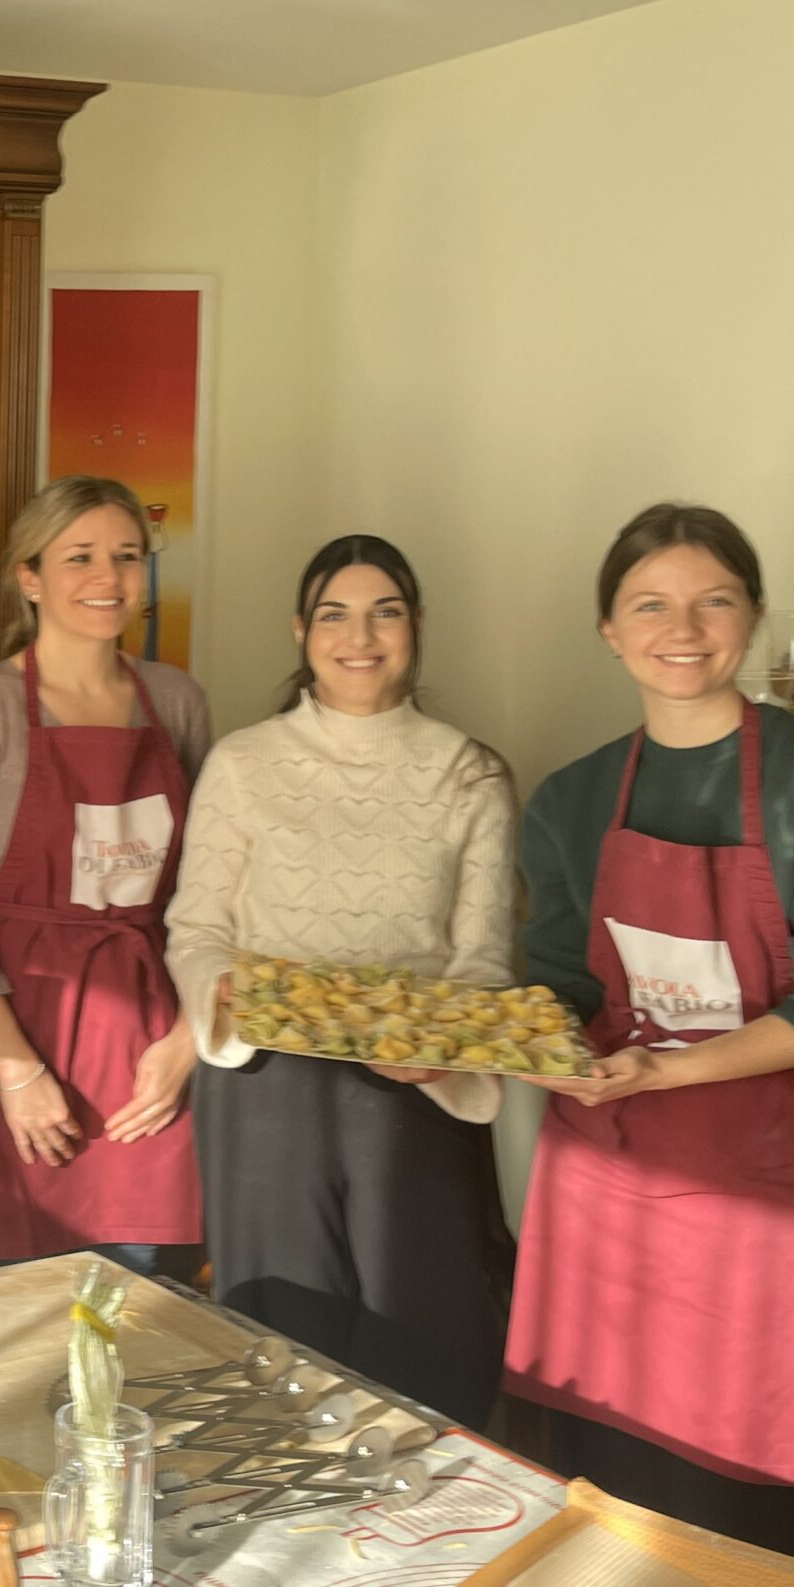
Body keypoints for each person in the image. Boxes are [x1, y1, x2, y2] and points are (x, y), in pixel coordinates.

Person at [507, 504, 794, 1558]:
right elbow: (551, 983)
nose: (681, 627)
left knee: (744, 1492)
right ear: (608, 629)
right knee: (609, 1475)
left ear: (751, 617)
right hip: (610, 1174)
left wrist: (660, 1072)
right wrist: (511, 1044)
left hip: (769, 1178)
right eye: (650, 604)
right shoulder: (571, 799)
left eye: (711, 600)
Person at [166, 534, 516, 1430]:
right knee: (279, 1355)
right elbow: (196, 930)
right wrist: (225, 995)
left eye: (384, 612)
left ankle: (428, 1553)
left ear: (416, 627)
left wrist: (441, 1051)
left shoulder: (470, 773)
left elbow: (482, 963)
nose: (360, 636)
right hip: (265, 1090)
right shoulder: (244, 764)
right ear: (301, 632)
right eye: (334, 614)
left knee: (425, 1348)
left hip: (413, 1097)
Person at [0, 476, 210, 1274]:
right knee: (13, 1332)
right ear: (30, 576)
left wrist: (188, 1043)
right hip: (16, 1035)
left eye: (126, 557)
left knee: (149, 1317)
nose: (107, 579)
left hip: (147, 1046)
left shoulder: (178, 702)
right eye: (79, 557)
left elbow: (211, 895)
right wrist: (15, 1071)